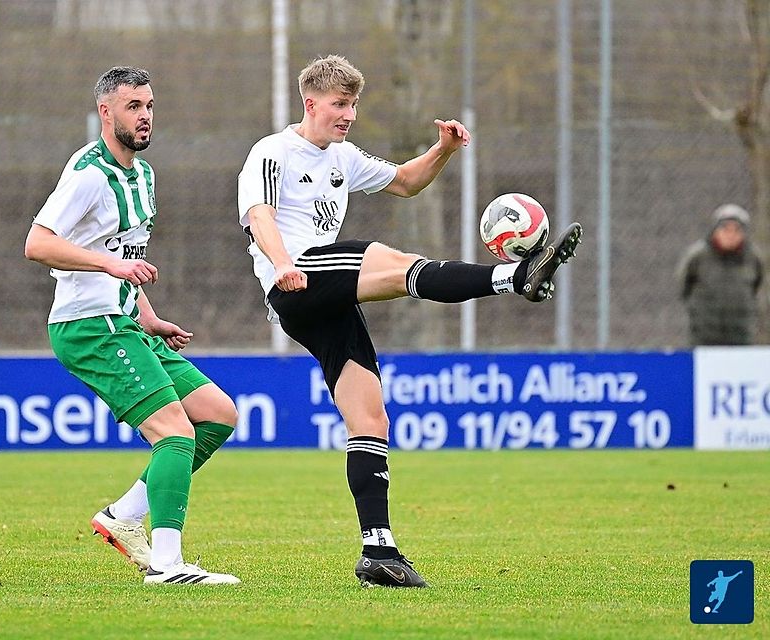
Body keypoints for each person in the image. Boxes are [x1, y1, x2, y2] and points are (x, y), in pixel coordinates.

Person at [237, 54, 582, 588]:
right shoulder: (272, 151)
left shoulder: (343, 156)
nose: (349, 115)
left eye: (354, 104)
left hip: (324, 297)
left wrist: (442, 150)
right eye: (339, 104)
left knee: (370, 418)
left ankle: (378, 550)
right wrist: (282, 263)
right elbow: (259, 214)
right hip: (297, 276)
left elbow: (403, 181)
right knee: (400, 266)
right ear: (311, 103)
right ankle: (515, 278)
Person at [25, 66, 240, 585]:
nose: (145, 116)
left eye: (149, 106)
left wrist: (149, 316)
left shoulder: (144, 175)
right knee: (175, 432)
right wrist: (110, 267)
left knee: (218, 415)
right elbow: (37, 243)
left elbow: (125, 252)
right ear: (106, 112)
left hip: (124, 321)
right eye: (133, 107)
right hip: (88, 325)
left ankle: (122, 516)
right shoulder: (89, 174)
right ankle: (167, 564)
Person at [677, 203, 765, 346]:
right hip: (703, 336)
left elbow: (757, 286)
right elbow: (684, 286)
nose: (731, 235)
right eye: (725, 229)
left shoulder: (753, 258)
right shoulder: (698, 256)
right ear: (715, 231)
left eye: (736, 230)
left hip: (741, 335)